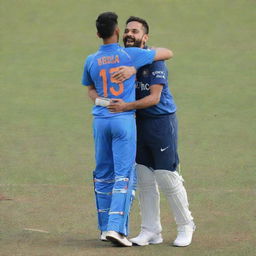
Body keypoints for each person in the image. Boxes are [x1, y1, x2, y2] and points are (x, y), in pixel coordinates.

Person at [81, 12, 173, 247]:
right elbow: (167, 53)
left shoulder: (91, 59)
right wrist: (132, 69)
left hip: (100, 121)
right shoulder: (129, 54)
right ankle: (116, 229)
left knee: (102, 173)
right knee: (124, 175)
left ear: (97, 34)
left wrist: (102, 101)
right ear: (117, 33)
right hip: (123, 119)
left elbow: (90, 90)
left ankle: (103, 228)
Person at [108, 16, 196, 247]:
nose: (129, 34)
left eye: (135, 31)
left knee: (166, 176)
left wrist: (125, 106)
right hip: (136, 123)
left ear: (144, 38)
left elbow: (155, 98)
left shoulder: (154, 60)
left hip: (160, 122)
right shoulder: (120, 58)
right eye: (127, 30)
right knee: (144, 177)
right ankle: (151, 230)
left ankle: (186, 225)